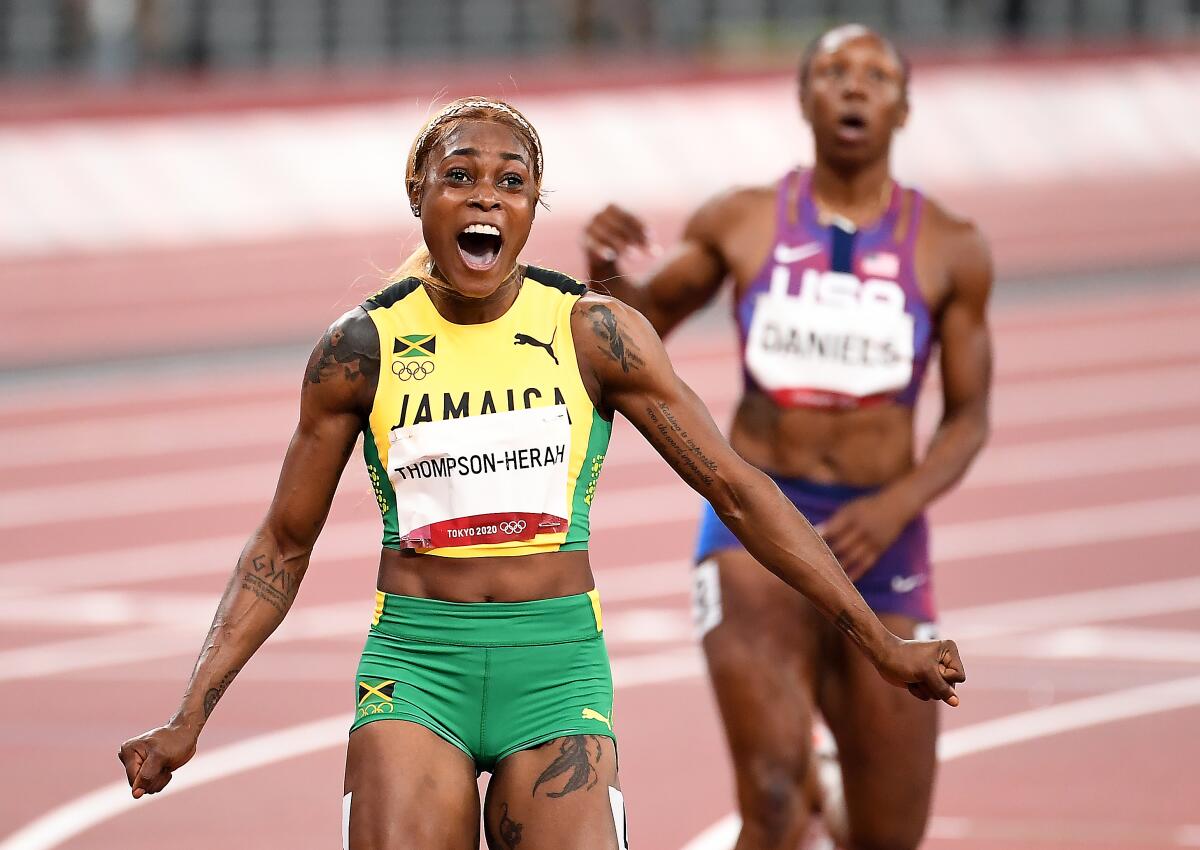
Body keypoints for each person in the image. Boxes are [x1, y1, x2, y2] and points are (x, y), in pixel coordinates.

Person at [118, 95, 965, 850]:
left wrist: (882, 643)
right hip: (417, 669)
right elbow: (283, 544)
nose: (487, 194)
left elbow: (736, 489)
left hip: (557, 673)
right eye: (461, 175)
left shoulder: (595, 333)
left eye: (512, 181)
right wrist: (188, 718)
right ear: (420, 195)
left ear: (530, 209)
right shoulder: (359, 349)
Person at [582, 25, 992, 850]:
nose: (853, 88)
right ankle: (797, 790)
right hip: (753, 526)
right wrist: (602, 274)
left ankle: (827, 794)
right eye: (834, 72)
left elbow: (967, 418)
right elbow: (638, 328)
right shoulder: (742, 221)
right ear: (804, 97)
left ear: (903, 106)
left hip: (884, 532)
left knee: (886, 834)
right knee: (769, 801)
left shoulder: (952, 247)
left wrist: (896, 505)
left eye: (875, 76)